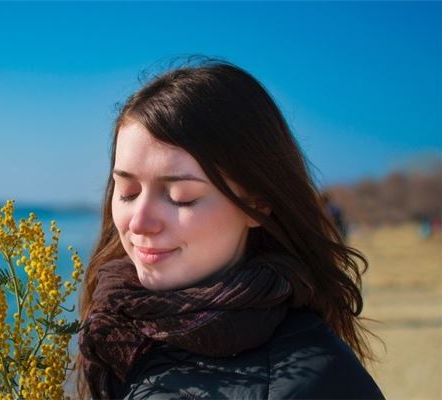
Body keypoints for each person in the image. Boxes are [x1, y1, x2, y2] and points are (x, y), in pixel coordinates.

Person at [75, 59, 384, 399]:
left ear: (257, 204)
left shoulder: (314, 381)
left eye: (181, 197)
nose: (139, 222)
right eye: (127, 192)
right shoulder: (115, 327)